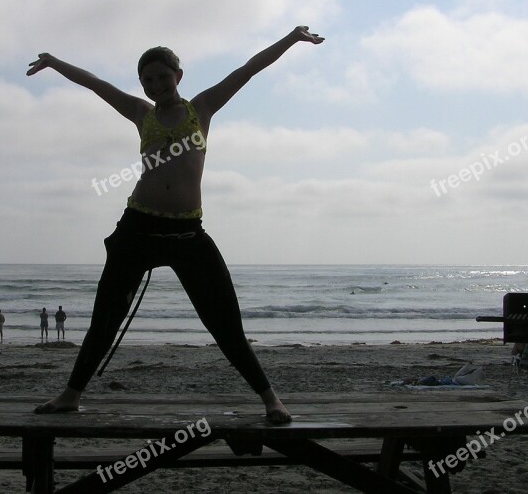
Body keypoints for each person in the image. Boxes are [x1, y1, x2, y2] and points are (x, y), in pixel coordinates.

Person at [26, 25, 324, 424]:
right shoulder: (140, 113)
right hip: (137, 230)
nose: (156, 85)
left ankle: (271, 399)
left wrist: (291, 38)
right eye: (147, 80)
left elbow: (248, 69)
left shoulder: (202, 108)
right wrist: (53, 62)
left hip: (188, 233)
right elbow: (96, 84)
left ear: (177, 76)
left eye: (163, 76)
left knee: (224, 322)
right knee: (106, 317)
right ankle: (70, 395)